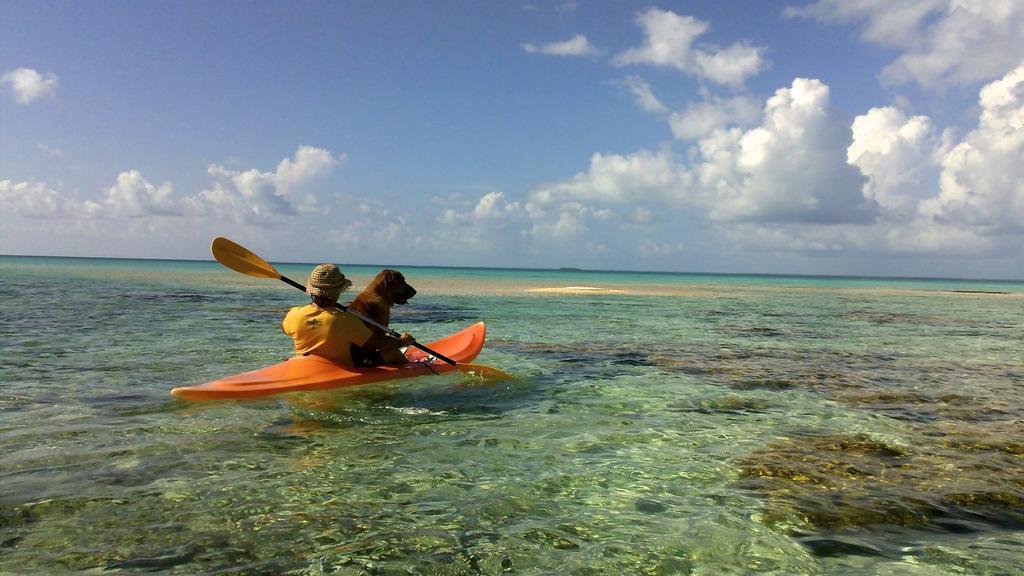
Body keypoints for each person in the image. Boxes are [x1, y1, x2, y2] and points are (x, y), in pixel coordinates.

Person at [281, 263, 412, 367]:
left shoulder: (293, 314)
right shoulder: (345, 320)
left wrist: (313, 325)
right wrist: (403, 342)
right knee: (393, 353)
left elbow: (285, 329)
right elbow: (374, 344)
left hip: (304, 366)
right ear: (338, 291)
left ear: (311, 290)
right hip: (340, 368)